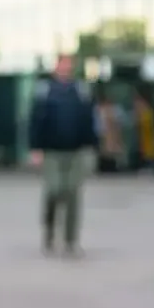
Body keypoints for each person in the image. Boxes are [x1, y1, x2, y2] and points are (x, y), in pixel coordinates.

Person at [28, 55, 97, 256]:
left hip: (76, 151)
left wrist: (91, 146)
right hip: (52, 151)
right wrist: (36, 148)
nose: (65, 69)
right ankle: (49, 231)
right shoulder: (45, 90)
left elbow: (89, 120)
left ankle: (70, 240)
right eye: (62, 65)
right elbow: (35, 120)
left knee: (73, 193)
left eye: (68, 65)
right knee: (54, 190)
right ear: (55, 68)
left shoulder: (81, 90)